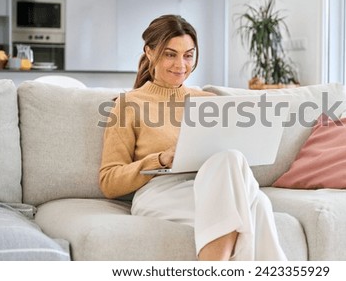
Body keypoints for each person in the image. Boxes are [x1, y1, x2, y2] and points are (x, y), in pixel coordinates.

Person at [99, 14, 287, 261]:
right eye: (170, 54)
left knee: (241, 175)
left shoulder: (208, 102)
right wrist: (161, 160)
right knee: (256, 204)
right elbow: (109, 181)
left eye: (188, 55)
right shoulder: (127, 105)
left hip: (210, 188)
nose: (181, 64)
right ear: (149, 52)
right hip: (160, 194)